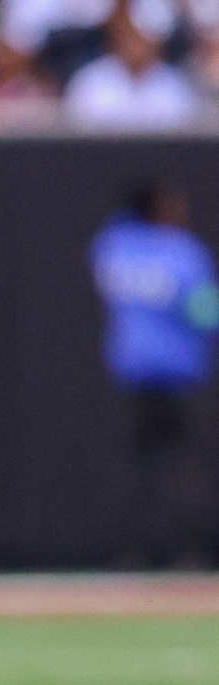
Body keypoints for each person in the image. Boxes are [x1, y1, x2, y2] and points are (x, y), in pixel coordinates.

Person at [89, 181, 219, 567]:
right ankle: (191, 553)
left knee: (134, 467)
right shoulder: (181, 253)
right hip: (177, 374)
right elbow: (204, 313)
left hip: (127, 372)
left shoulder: (112, 245)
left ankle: (129, 553)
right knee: (186, 467)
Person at [64, 0, 200, 130]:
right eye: (133, 36)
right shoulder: (89, 81)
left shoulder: (174, 85)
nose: (138, 46)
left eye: (146, 39)